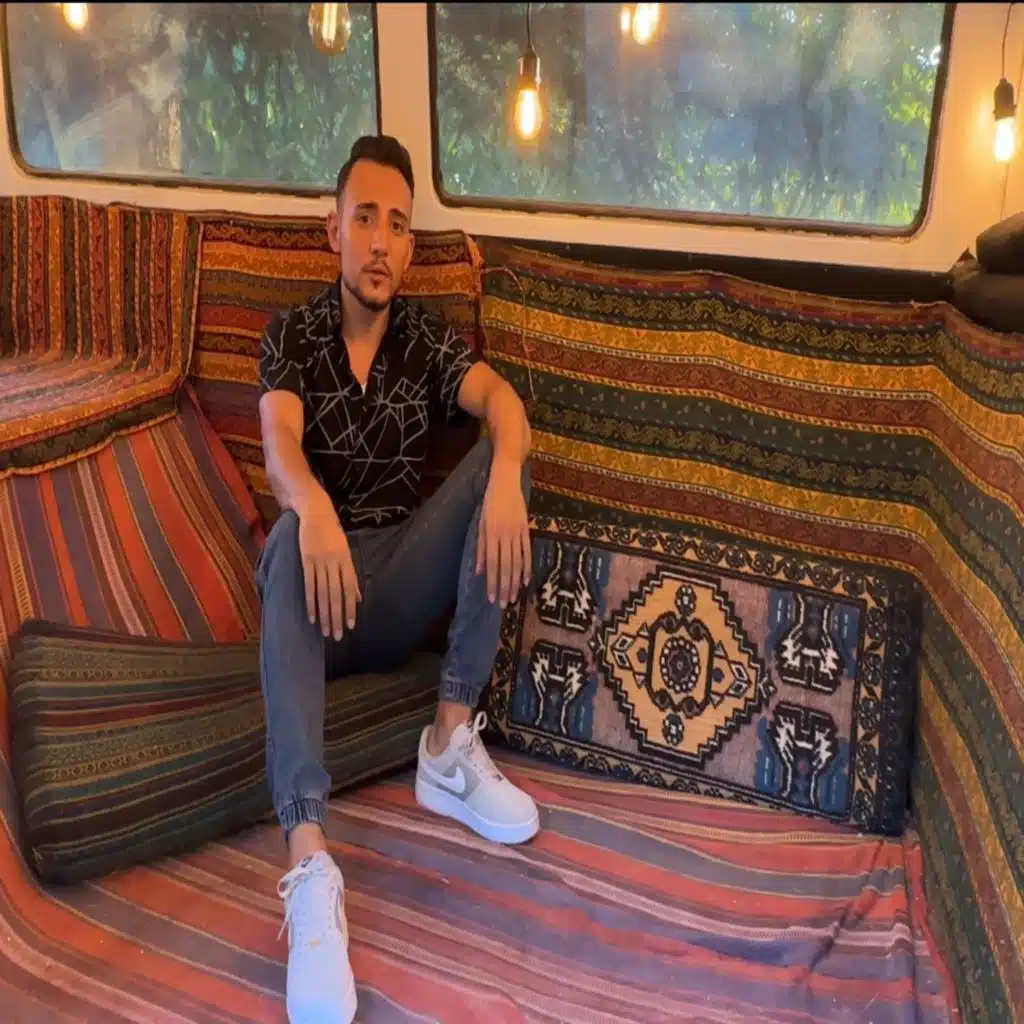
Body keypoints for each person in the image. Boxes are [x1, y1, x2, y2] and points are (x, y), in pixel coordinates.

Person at [255, 134, 538, 1024]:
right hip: (316, 591)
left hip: (398, 583)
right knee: (284, 544)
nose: (381, 242)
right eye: (366, 218)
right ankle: (310, 863)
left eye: (400, 226)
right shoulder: (293, 335)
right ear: (333, 230)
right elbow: (278, 442)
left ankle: (448, 743)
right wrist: (312, 508)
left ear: (410, 247)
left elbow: (503, 404)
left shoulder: (424, 340)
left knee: (504, 459)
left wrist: (504, 477)